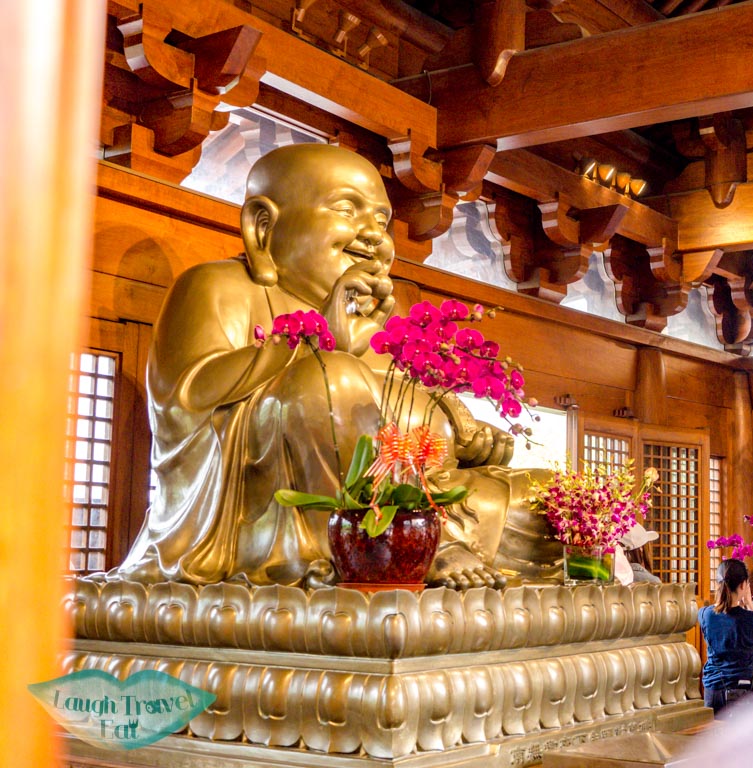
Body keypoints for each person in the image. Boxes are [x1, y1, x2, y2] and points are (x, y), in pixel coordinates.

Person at [109, 144, 559, 589]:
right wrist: (314, 344)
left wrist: (465, 434)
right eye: (348, 210)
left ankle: (420, 539)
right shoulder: (218, 287)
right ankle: (385, 549)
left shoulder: (373, 321)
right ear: (263, 228)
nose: (373, 235)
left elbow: (405, 428)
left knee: (552, 499)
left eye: (381, 221)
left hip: (420, 499)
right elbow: (184, 399)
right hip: (267, 520)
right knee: (331, 379)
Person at [699, 559, 753, 716]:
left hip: (713, 690)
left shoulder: (705, 614)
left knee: (714, 739)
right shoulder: (750, 619)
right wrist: (750, 604)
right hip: (743, 692)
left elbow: (720, 611)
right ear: (744, 585)